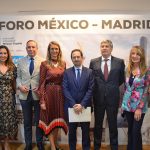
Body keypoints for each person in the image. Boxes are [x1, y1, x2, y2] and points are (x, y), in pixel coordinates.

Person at [89, 40, 125, 150]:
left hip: (113, 99)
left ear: (111, 48)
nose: (104, 48)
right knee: (98, 125)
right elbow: (91, 80)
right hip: (98, 99)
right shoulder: (93, 62)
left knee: (113, 125)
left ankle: (114, 147)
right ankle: (96, 146)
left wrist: (110, 88)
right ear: (100, 48)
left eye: (107, 46)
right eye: (102, 46)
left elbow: (120, 80)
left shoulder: (119, 62)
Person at [37, 41, 68, 150]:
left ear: (59, 51)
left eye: (56, 49)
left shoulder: (63, 63)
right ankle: (53, 146)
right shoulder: (44, 64)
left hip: (60, 94)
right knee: (49, 120)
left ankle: (54, 142)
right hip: (48, 94)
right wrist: (42, 100)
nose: (54, 51)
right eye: (52, 49)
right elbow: (41, 83)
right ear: (49, 51)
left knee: (57, 121)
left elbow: (65, 81)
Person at [63, 49, 94, 150]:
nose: (76, 59)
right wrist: (74, 104)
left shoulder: (89, 72)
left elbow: (91, 89)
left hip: (85, 107)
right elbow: (65, 89)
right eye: (74, 57)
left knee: (85, 131)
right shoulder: (67, 72)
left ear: (82, 58)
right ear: (71, 59)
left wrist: (82, 104)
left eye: (78, 57)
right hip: (71, 107)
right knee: (72, 132)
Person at [17, 40, 44, 150]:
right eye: (29, 47)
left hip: (38, 95)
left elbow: (44, 79)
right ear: (26, 48)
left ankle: (39, 142)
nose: (31, 49)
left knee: (38, 121)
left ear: (37, 48)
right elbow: (18, 77)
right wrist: (19, 86)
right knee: (27, 121)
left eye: (33, 47)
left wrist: (40, 88)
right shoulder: (20, 61)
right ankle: (28, 143)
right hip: (24, 96)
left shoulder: (43, 61)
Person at [121, 45, 150, 150]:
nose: (135, 56)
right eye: (133, 53)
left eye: (137, 54)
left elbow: (146, 90)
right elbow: (126, 88)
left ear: (141, 56)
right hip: (128, 106)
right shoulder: (127, 69)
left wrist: (139, 108)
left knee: (135, 131)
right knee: (132, 131)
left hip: (139, 106)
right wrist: (123, 105)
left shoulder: (146, 70)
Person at [0, 45, 18, 150]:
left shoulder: (12, 67)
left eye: (4, 53)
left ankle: (6, 143)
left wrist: (18, 94)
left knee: (7, 122)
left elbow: (14, 83)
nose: (2, 55)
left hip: (8, 99)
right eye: (0, 53)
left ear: (8, 54)